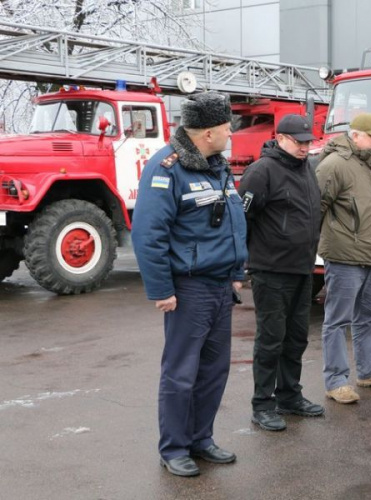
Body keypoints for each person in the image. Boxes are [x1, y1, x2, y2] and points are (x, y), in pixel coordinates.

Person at [131, 92, 247, 477]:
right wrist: (162, 290)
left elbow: (229, 225)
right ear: (209, 132)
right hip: (189, 289)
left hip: (219, 287)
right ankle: (174, 447)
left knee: (214, 370)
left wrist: (236, 273)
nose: (231, 133)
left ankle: (201, 438)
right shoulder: (167, 168)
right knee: (181, 372)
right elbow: (149, 234)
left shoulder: (217, 167)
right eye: (228, 127)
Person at [238, 114, 324, 432]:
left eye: (308, 142)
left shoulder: (307, 170)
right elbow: (242, 218)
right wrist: (245, 262)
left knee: (296, 337)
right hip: (271, 270)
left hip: (302, 268)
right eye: (299, 142)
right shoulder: (261, 172)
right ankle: (262, 404)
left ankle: (289, 395)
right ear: (281, 138)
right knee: (271, 339)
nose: (305, 147)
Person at [316, 112, 371, 404]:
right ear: (355, 136)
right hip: (344, 256)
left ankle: (368, 371)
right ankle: (336, 380)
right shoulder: (334, 165)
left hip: (370, 254)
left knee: (369, 316)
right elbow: (316, 208)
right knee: (338, 320)